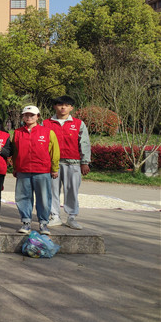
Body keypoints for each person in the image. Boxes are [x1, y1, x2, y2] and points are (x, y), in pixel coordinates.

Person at [42, 96, 91, 230]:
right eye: (60, 105)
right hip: (53, 164)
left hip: (73, 163)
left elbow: (84, 143)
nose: (63, 107)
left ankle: (71, 217)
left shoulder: (78, 124)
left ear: (71, 108)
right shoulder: (46, 123)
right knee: (52, 191)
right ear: (55, 106)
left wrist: (85, 162)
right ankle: (54, 216)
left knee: (72, 191)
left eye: (66, 105)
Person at [11, 105, 60, 235]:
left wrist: (54, 168)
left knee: (43, 198)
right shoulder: (17, 133)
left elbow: (54, 152)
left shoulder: (48, 132)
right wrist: (15, 167)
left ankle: (43, 223)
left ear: (38, 116)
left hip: (42, 170)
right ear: (23, 117)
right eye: (26, 115)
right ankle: (26, 222)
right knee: (23, 197)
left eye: (32, 115)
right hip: (23, 170)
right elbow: (15, 152)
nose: (29, 117)